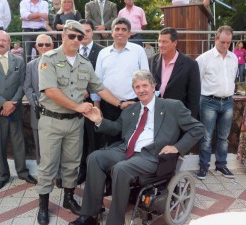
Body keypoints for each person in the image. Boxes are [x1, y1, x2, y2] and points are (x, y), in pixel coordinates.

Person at [69, 70, 204, 225]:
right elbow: (116, 128)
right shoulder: (131, 110)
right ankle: (90, 216)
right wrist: (99, 120)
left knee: (121, 168)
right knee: (94, 158)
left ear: (153, 86)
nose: (141, 90)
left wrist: (177, 147)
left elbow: (198, 129)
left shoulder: (172, 106)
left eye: (145, 85)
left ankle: (115, 222)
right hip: (126, 151)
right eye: (137, 87)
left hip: (152, 156)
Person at [35, 20, 131, 225]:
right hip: (52, 121)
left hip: (74, 124)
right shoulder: (49, 59)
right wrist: (78, 106)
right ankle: (43, 205)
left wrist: (120, 103)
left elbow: (99, 88)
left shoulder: (84, 63)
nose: (76, 40)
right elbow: (51, 91)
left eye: (80, 37)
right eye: (71, 36)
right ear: (63, 36)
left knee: (72, 163)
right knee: (48, 165)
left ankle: (69, 199)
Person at [0, 30, 37, 190]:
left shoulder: (18, 60)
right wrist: (3, 103)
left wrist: (13, 103)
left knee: (19, 143)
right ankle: (3, 175)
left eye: (4, 40)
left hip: (14, 110)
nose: (1, 43)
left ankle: (23, 172)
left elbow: (22, 84)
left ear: (9, 42)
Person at [91, 17, 149, 146]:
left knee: (134, 141)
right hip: (109, 106)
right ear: (112, 32)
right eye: (117, 29)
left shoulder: (138, 50)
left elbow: (146, 78)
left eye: (124, 29)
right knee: (111, 142)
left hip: (133, 103)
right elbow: (97, 83)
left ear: (129, 33)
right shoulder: (103, 53)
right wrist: (97, 106)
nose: (120, 32)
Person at [196, 26, 238, 180]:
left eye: (228, 43)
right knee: (206, 136)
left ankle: (221, 165)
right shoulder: (204, 58)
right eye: (223, 42)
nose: (226, 45)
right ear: (215, 39)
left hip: (227, 101)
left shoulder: (233, 58)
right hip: (208, 101)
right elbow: (196, 82)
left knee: (224, 137)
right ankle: (204, 166)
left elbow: (232, 78)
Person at [148, 27, 201, 119]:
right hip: (155, 114)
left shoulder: (190, 64)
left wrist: (190, 119)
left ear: (175, 43)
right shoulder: (151, 61)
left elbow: (194, 96)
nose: (161, 45)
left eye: (165, 42)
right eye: (159, 41)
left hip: (178, 115)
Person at [77, 19, 104, 185]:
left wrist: (90, 92)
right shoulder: (72, 51)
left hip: (95, 103)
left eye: (87, 31)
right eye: (82, 31)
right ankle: (82, 171)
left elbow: (101, 78)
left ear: (92, 32)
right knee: (80, 140)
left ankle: (94, 173)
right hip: (75, 104)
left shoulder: (102, 51)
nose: (84, 34)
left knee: (94, 140)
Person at [23, 34, 54, 165]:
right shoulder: (30, 65)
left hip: (56, 111)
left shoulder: (59, 63)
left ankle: (58, 174)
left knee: (56, 144)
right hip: (38, 112)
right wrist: (36, 104)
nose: (44, 47)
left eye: (47, 44)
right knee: (39, 144)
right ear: (36, 47)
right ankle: (42, 172)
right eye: (41, 45)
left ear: (52, 46)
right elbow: (27, 87)